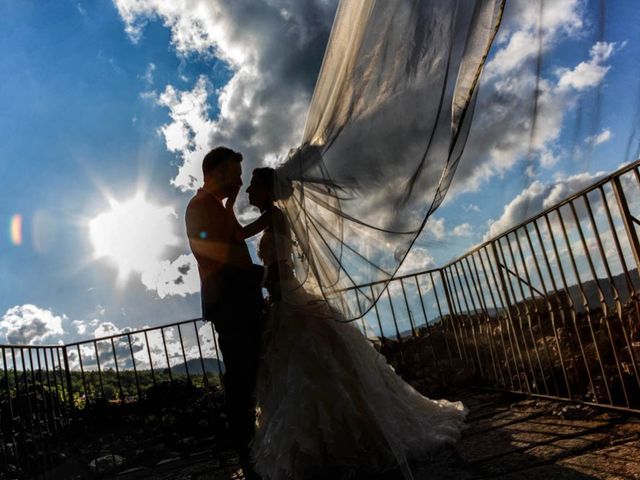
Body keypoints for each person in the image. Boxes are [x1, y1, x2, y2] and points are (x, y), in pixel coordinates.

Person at [236, 167, 468, 480]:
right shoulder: (275, 216)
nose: (248, 192)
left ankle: (334, 443)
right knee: (313, 369)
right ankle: (325, 439)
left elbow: (237, 236)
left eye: (252, 186)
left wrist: (224, 206)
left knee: (312, 367)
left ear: (267, 190)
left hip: (287, 300)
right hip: (283, 300)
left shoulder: (273, 216)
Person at [185, 147, 265, 480]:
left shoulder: (215, 207)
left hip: (241, 301)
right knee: (240, 376)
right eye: (234, 174)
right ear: (215, 173)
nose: (239, 182)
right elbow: (214, 257)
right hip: (231, 304)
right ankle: (247, 453)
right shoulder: (200, 208)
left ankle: (257, 447)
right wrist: (263, 275)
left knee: (251, 371)